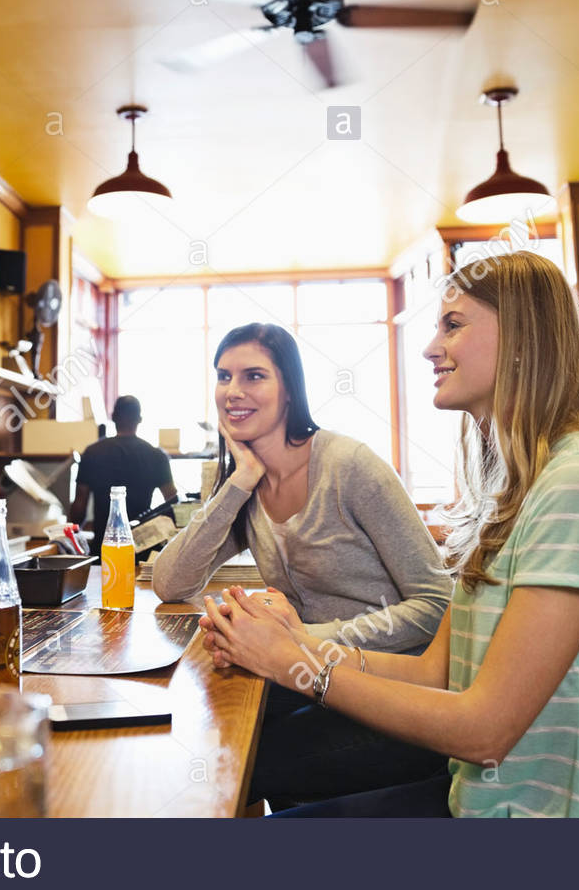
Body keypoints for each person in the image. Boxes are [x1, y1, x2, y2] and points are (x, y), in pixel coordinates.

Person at [201, 253, 579, 817]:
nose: (431, 347)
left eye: (452, 325)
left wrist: (293, 663)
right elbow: (438, 672)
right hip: (489, 799)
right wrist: (293, 642)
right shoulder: (517, 489)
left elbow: (483, 730)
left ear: (525, 341)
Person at [153, 322, 452, 808]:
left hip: (391, 688)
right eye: (223, 376)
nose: (233, 391)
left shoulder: (349, 465)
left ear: (289, 390)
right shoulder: (247, 486)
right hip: (309, 676)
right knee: (205, 731)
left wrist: (310, 639)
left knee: (234, 762)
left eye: (253, 376)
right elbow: (171, 581)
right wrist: (238, 482)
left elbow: (438, 604)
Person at [68, 394, 177, 556]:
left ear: (113, 418)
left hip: (104, 548)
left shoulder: (92, 453)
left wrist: (71, 538)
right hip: (142, 550)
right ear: (139, 419)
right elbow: (172, 501)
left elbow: (79, 506)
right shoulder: (156, 456)